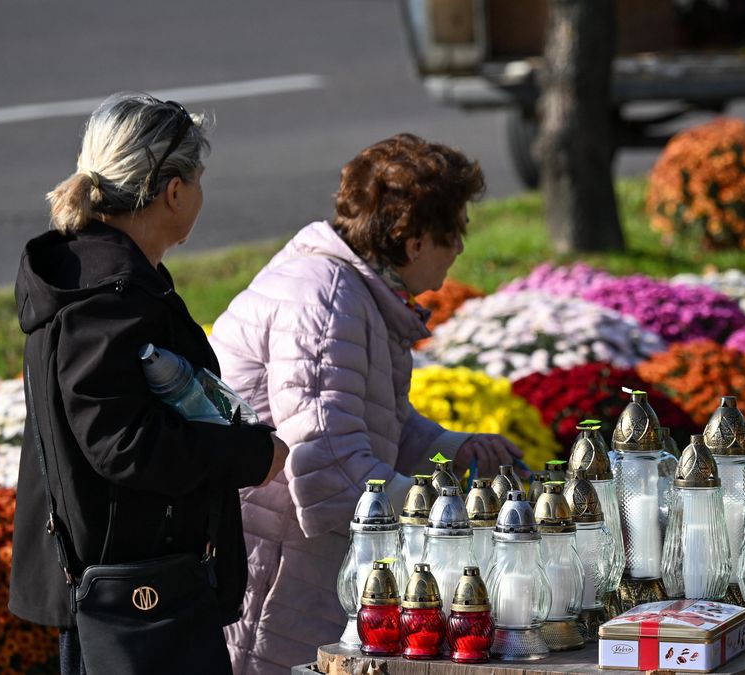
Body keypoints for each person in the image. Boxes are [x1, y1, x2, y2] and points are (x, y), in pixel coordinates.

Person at [209, 133, 523, 673]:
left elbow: (376, 426)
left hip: (298, 564)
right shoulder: (327, 298)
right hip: (272, 580)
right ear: (415, 240)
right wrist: (454, 522)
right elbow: (326, 465)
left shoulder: (354, 291)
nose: (461, 249)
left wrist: (457, 450)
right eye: (455, 233)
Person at [10, 93, 289, 675]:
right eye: (198, 179)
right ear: (174, 191)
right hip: (135, 601)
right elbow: (124, 442)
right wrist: (246, 454)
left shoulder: (95, 276)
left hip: (132, 592)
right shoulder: (106, 298)